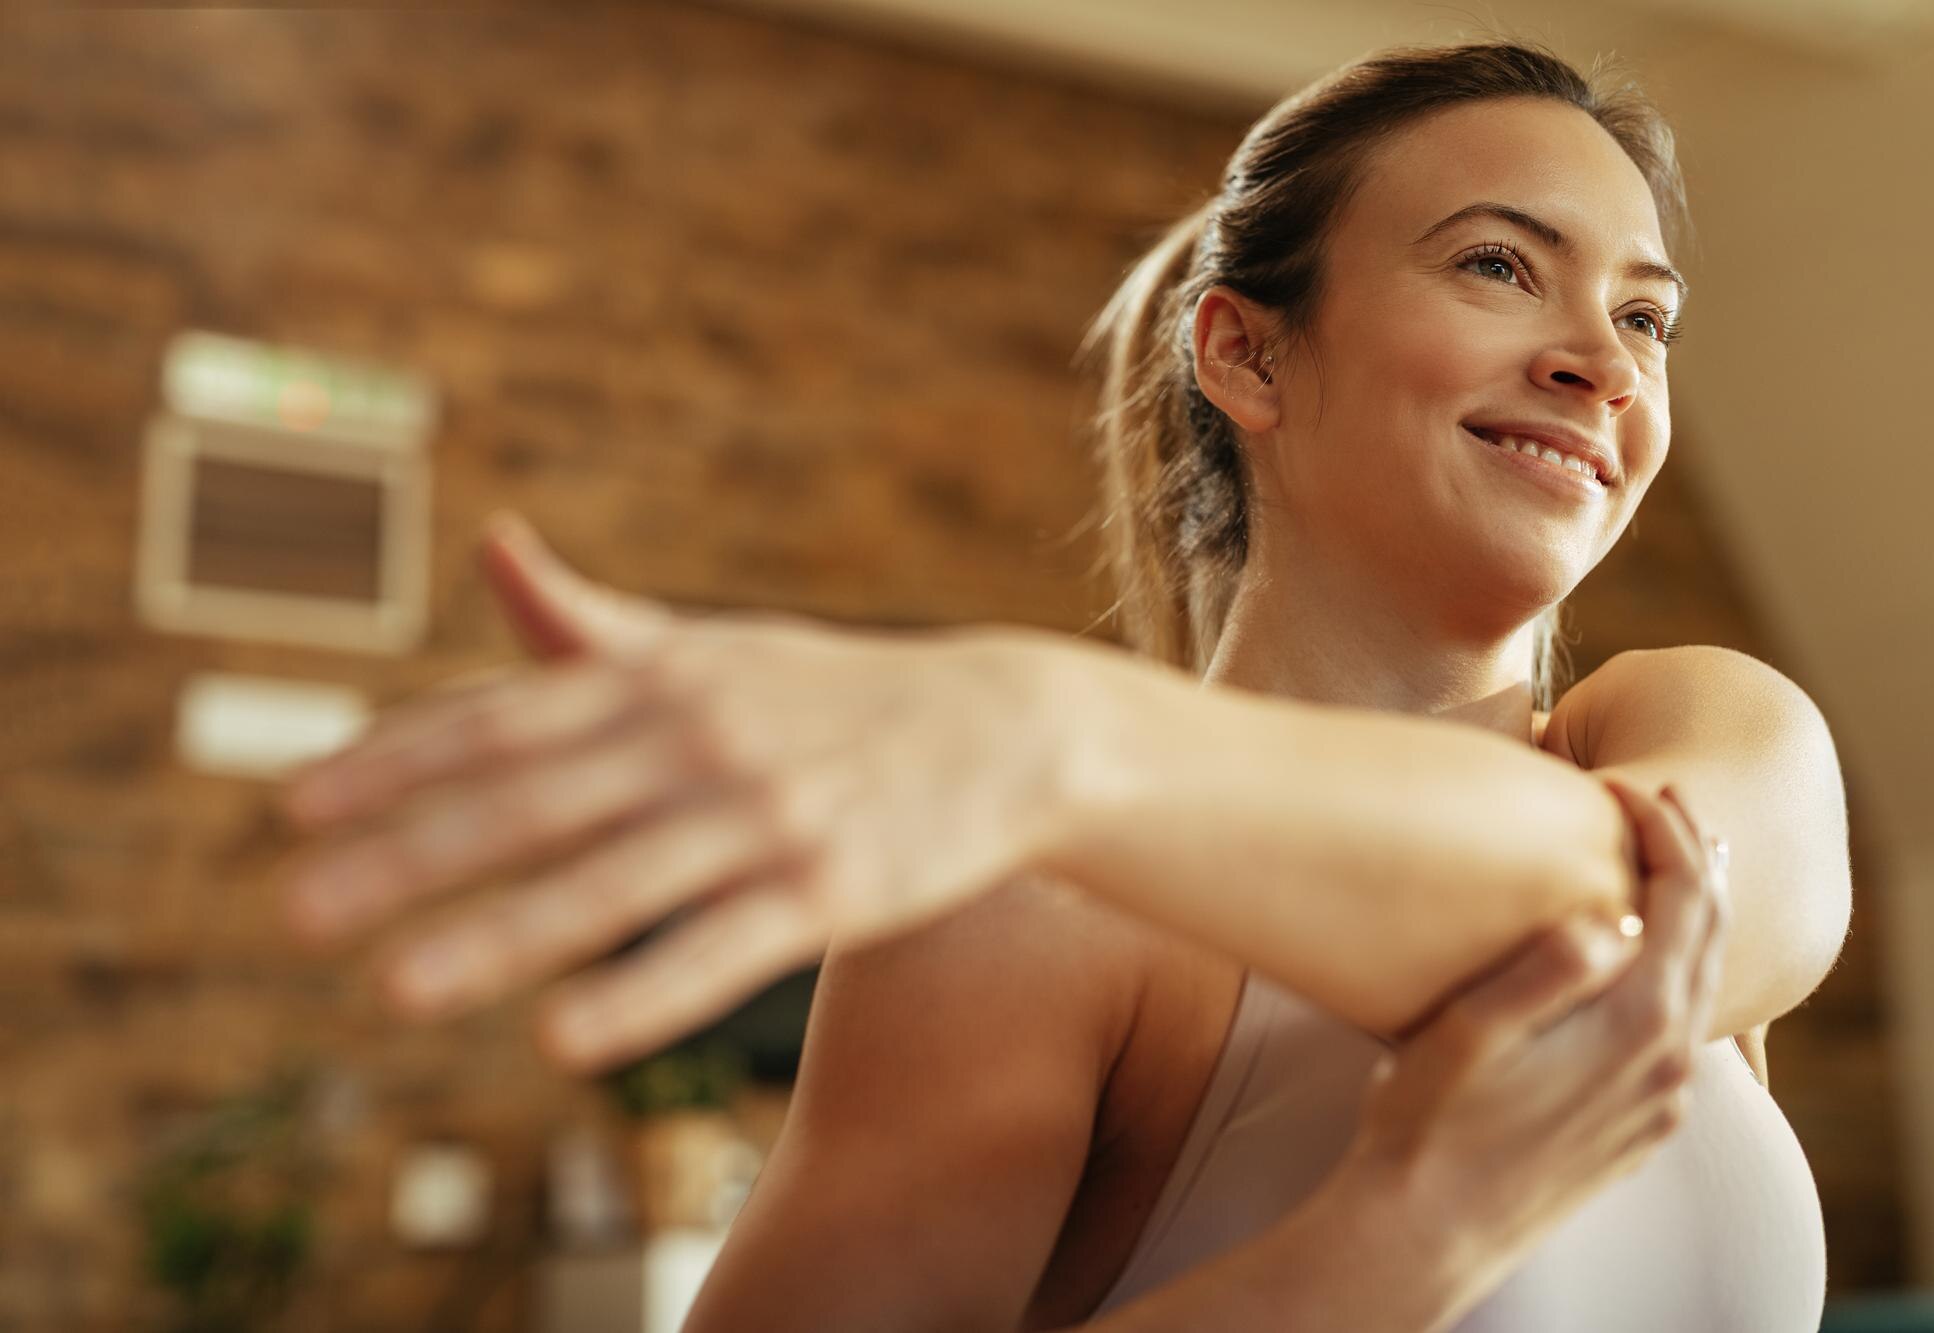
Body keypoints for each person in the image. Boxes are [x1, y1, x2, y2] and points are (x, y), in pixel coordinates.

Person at [277, 38, 1850, 1332]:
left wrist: (1039, 730)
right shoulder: (1034, 899)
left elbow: (1629, 923)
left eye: (1645, 314)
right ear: (1246, 355)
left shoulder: (1714, 730)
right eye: (1499, 264)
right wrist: (1398, 1237)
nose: (1606, 362)